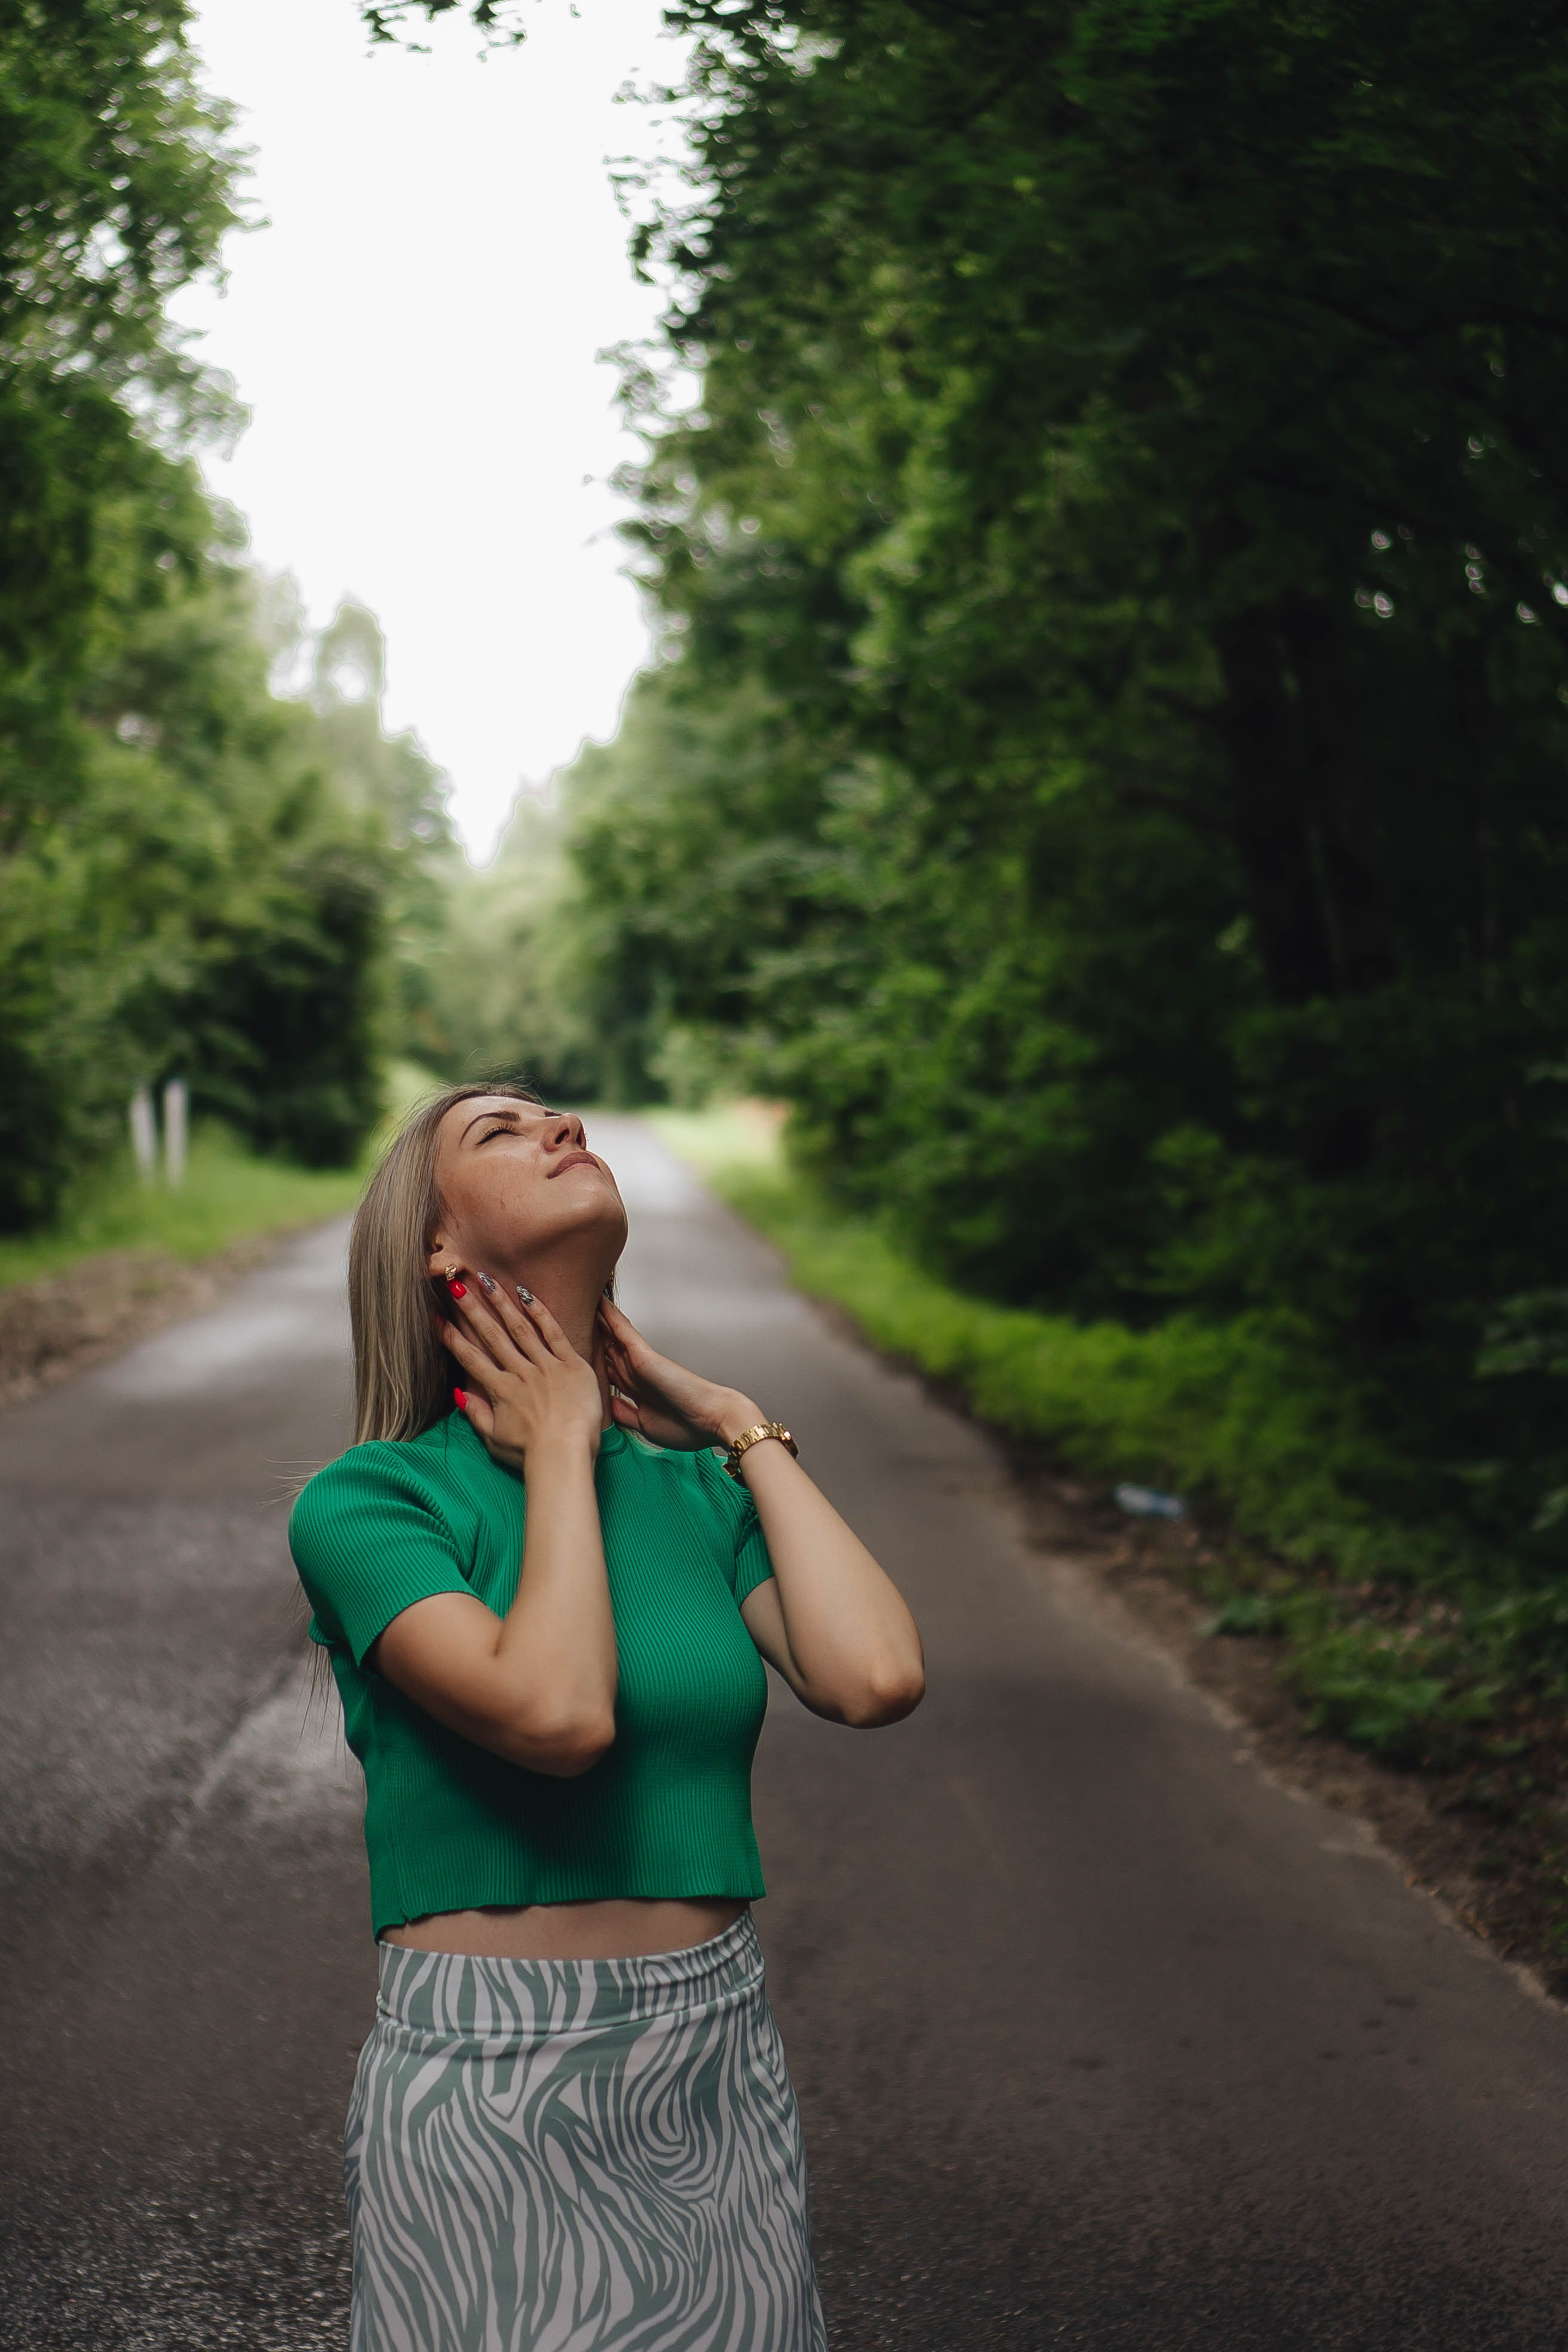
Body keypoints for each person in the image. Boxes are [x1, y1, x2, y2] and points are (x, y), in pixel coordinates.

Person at [289, 1082, 925, 2352]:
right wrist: (562, 1449)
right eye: (501, 1130)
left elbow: (872, 1678)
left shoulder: (701, 1487)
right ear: (436, 1248)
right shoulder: (371, 1502)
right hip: (485, 2083)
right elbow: (556, 1714)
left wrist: (735, 1423)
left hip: (711, 2059)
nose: (561, 1129)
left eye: (558, 1117)